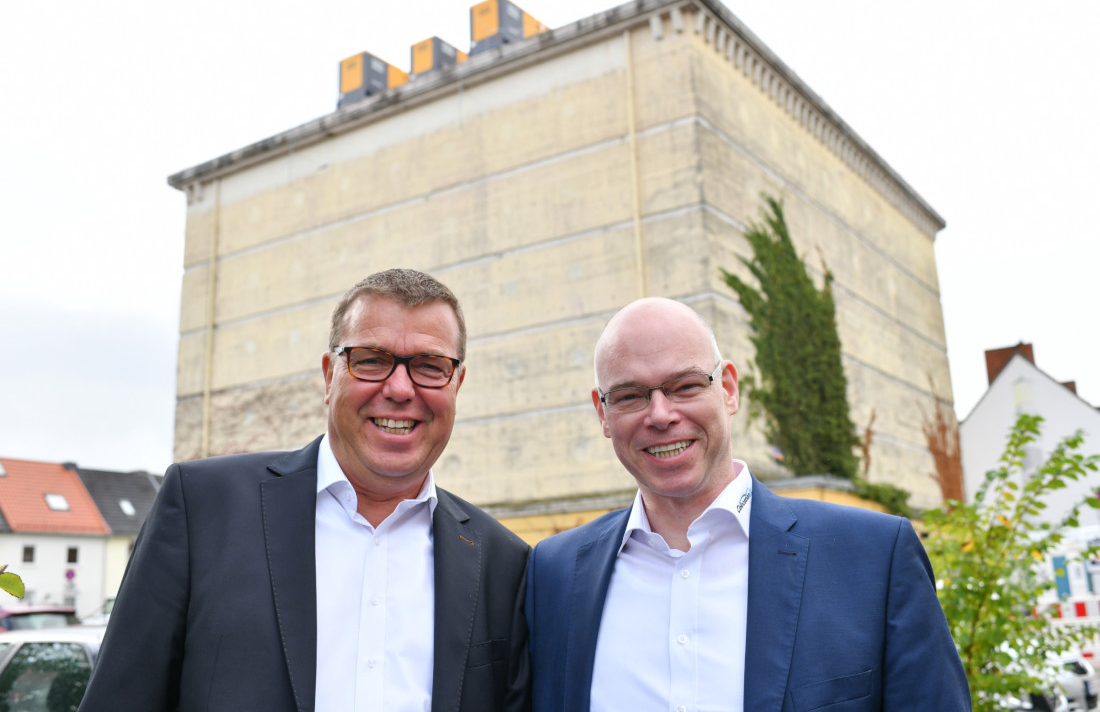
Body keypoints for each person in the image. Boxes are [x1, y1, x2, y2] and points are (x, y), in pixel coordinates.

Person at [80, 269, 531, 712]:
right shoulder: (202, 508)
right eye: (371, 360)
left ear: (457, 384)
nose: (399, 388)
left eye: (430, 367)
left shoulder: (503, 562)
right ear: (329, 375)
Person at [525, 297, 970, 711]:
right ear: (603, 413)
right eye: (628, 396)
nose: (659, 415)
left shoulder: (873, 558)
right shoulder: (555, 574)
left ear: (729, 389)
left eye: (684, 386)